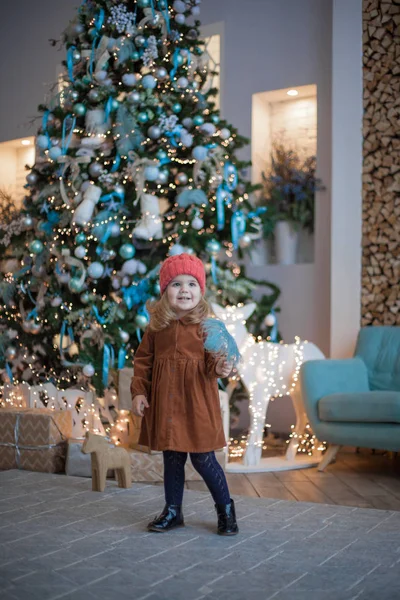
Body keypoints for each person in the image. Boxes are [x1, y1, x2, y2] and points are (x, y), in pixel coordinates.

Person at [131, 253, 239, 536]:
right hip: (167, 404)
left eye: (191, 284)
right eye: (176, 284)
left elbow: (214, 361)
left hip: (197, 404)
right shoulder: (156, 328)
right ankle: (173, 510)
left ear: (200, 291)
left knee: (204, 459)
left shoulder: (207, 327)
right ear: (165, 290)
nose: (184, 290)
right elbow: (143, 362)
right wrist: (139, 392)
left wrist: (222, 366)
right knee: (172, 458)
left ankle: (226, 510)